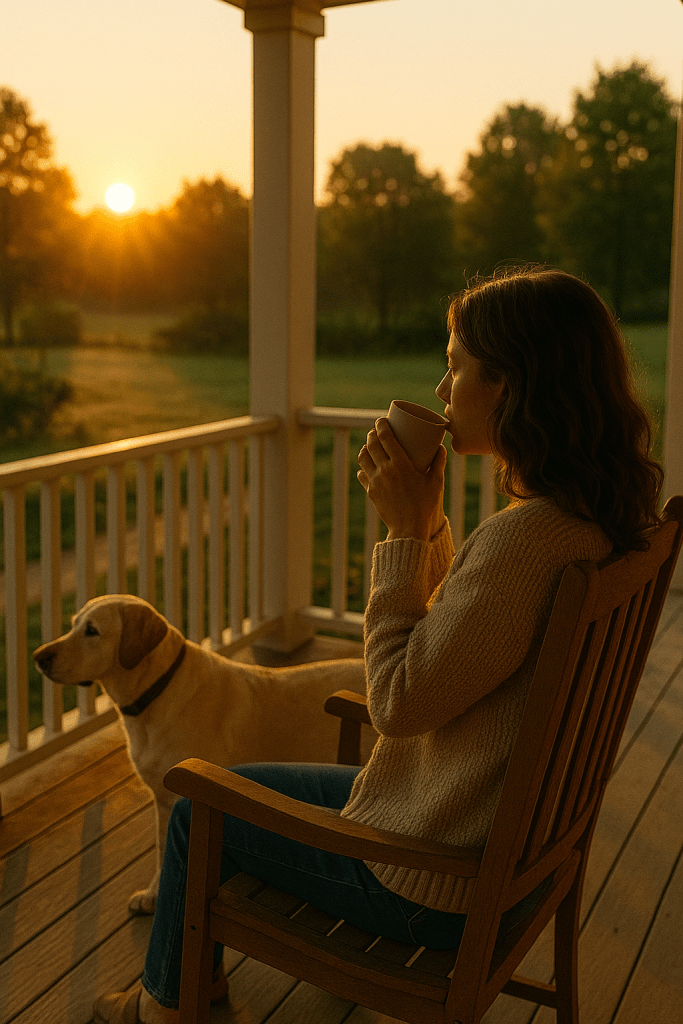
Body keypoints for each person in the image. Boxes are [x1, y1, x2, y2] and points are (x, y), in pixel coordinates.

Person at [94, 266, 663, 1023]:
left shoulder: (524, 544)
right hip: (500, 852)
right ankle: (183, 993)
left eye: (456, 363)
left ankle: (162, 1010)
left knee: (198, 806)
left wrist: (400, 535)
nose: (440, 386)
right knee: (232, 787)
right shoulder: (591, 523)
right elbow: (465, 646)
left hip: (429, 879)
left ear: (511, 384)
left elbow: (396, 703)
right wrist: (426, 525)